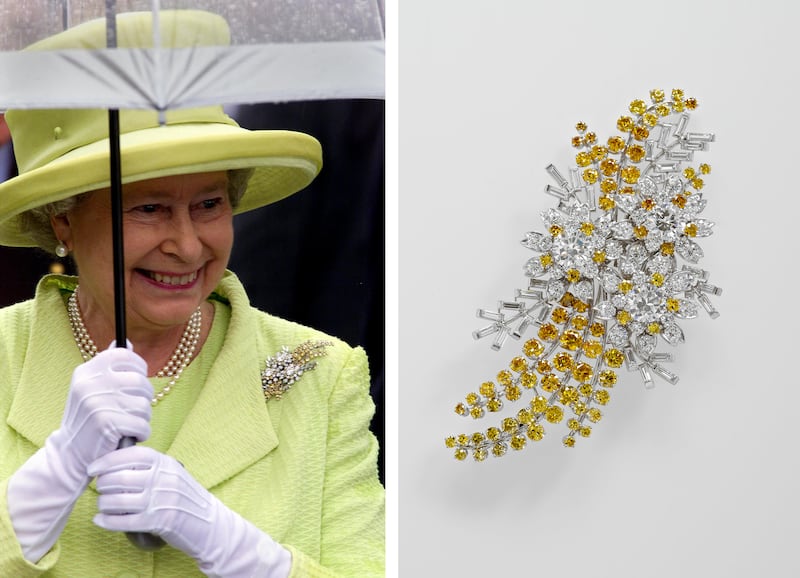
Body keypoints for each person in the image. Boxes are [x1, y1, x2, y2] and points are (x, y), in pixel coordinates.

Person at [0, 10, 384, 578]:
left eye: (209, 204)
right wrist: (44, 488)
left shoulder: (322, 374)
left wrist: (247, 554)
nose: (186, 245)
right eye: (149, 208)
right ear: (63, 223)